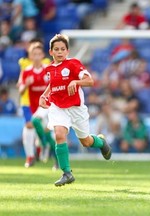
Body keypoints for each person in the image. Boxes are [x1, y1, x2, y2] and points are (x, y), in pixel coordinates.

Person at [39, 34, 112, 187]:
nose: (59, 52)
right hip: (58, 107)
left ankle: (100, 142)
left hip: (76, 108)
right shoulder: (50, 69)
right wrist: (44, 95)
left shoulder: (73, 64)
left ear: (67, 51)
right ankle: (66, 173)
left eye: (62, 49)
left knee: (86, 141)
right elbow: (53, 84)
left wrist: (76, 81)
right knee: (59, 134)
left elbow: (90, 81)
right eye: (56, 49)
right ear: (51, 52)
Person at [19, 43, 57, 169]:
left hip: (47, 106)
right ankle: (32, 155)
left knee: (48, 130)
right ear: (30, 56)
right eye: (33, 54)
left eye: (38, 54)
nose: (36, 57)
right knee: (32, 127)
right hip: (33, 106)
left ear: (42, 55)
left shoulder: (48, 69)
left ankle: (49, 152)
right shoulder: (27, 71)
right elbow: (21, 91)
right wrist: (26, 84)